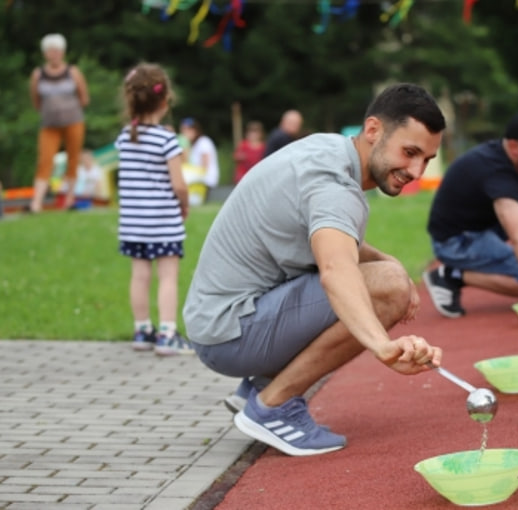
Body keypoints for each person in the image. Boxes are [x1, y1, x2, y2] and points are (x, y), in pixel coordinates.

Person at [183, 83, 445, 456]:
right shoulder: (335, 187)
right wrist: (382, 344)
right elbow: (336, 268)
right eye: (410, 152)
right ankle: (273, 404)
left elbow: (333, 238)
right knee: (389, 288)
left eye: (427, 160)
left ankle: (260, 385)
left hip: (219, 321)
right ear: (373, 130)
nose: (416, 170)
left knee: (388, 275)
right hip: (229, 335)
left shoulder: (328, 150)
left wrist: (388, 260)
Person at [423, 110, 518, 319]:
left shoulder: (514, 157)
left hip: (484, 225)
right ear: (515, 147)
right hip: (456, 241)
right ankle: (451, 275)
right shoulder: (496, 172)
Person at [116, 63, 192, 356]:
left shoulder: (125, 137)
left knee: (139, 276)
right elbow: (179, 185)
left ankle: (142, 329)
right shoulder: (166, 140)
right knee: (168, 276)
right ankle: (167, 333)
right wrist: (183, 204)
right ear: (164, 101)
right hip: (163, 221)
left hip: (133, 223)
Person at [28, 33, 89, 212]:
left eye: (57, 51)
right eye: (50, 51)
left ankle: (70, 199)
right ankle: (36, 202)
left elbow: (84, 98)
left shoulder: (73, 72)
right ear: (45, 53)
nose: (53, 54)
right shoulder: (38, 75)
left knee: (73, 158)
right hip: (49, 125)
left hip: (73, 122)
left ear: (62, 52)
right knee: (45, 160)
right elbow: (35, 100)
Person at [179, 118, 220, 189]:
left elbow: (205, 167)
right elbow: (185, 162)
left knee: (183, 174)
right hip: (198, 174)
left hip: (207, 176)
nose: (184, 133)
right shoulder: (192, 145)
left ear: (195, 130)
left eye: (188, 130)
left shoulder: (203, 141)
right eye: (183, 130)